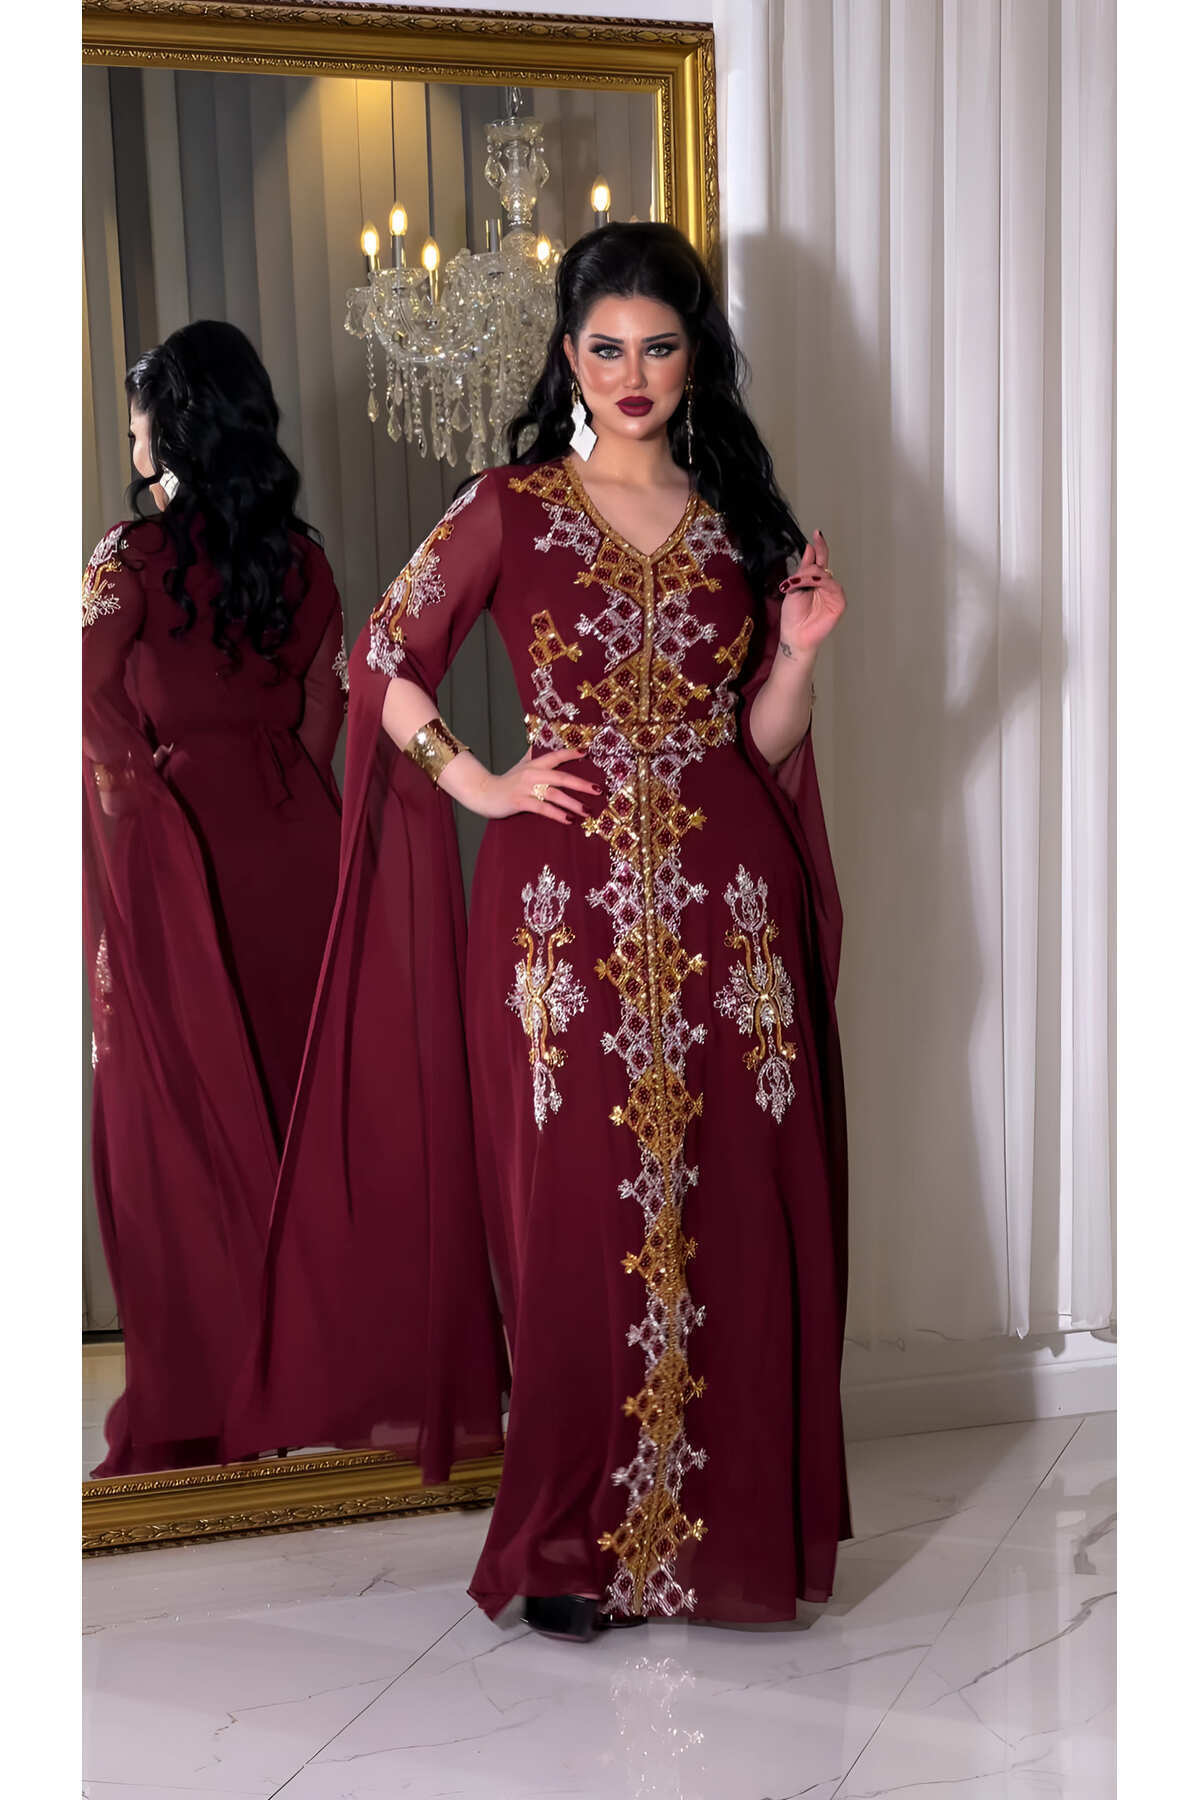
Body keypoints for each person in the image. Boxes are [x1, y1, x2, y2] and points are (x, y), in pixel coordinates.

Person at [225, 223, 850, 1636]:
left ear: (696, 359)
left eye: (660, 346)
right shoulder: (508, 507)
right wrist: (481, 782)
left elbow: (758, 744)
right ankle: (571, 1543)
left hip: (729, 915)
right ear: (569, 355)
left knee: (730, 1209)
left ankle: (720, 1539)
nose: (634, 373)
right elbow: (381, 657)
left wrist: (802, 656)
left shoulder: (738, 521)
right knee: (571, 1216)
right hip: (560, 922)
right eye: (607, 346)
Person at [82, 320, 346, 1476]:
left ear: (170, 425)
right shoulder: (304, 562)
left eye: (138, 415)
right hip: (295, 847)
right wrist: (283, 788)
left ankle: (215, 1386)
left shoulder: (129, 557)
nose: (131, 438)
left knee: (183, 1125)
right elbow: (325, 712)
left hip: (183, 848)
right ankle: (311, 1378)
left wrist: (138, 799)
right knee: (301, 1110)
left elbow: (78, 697)